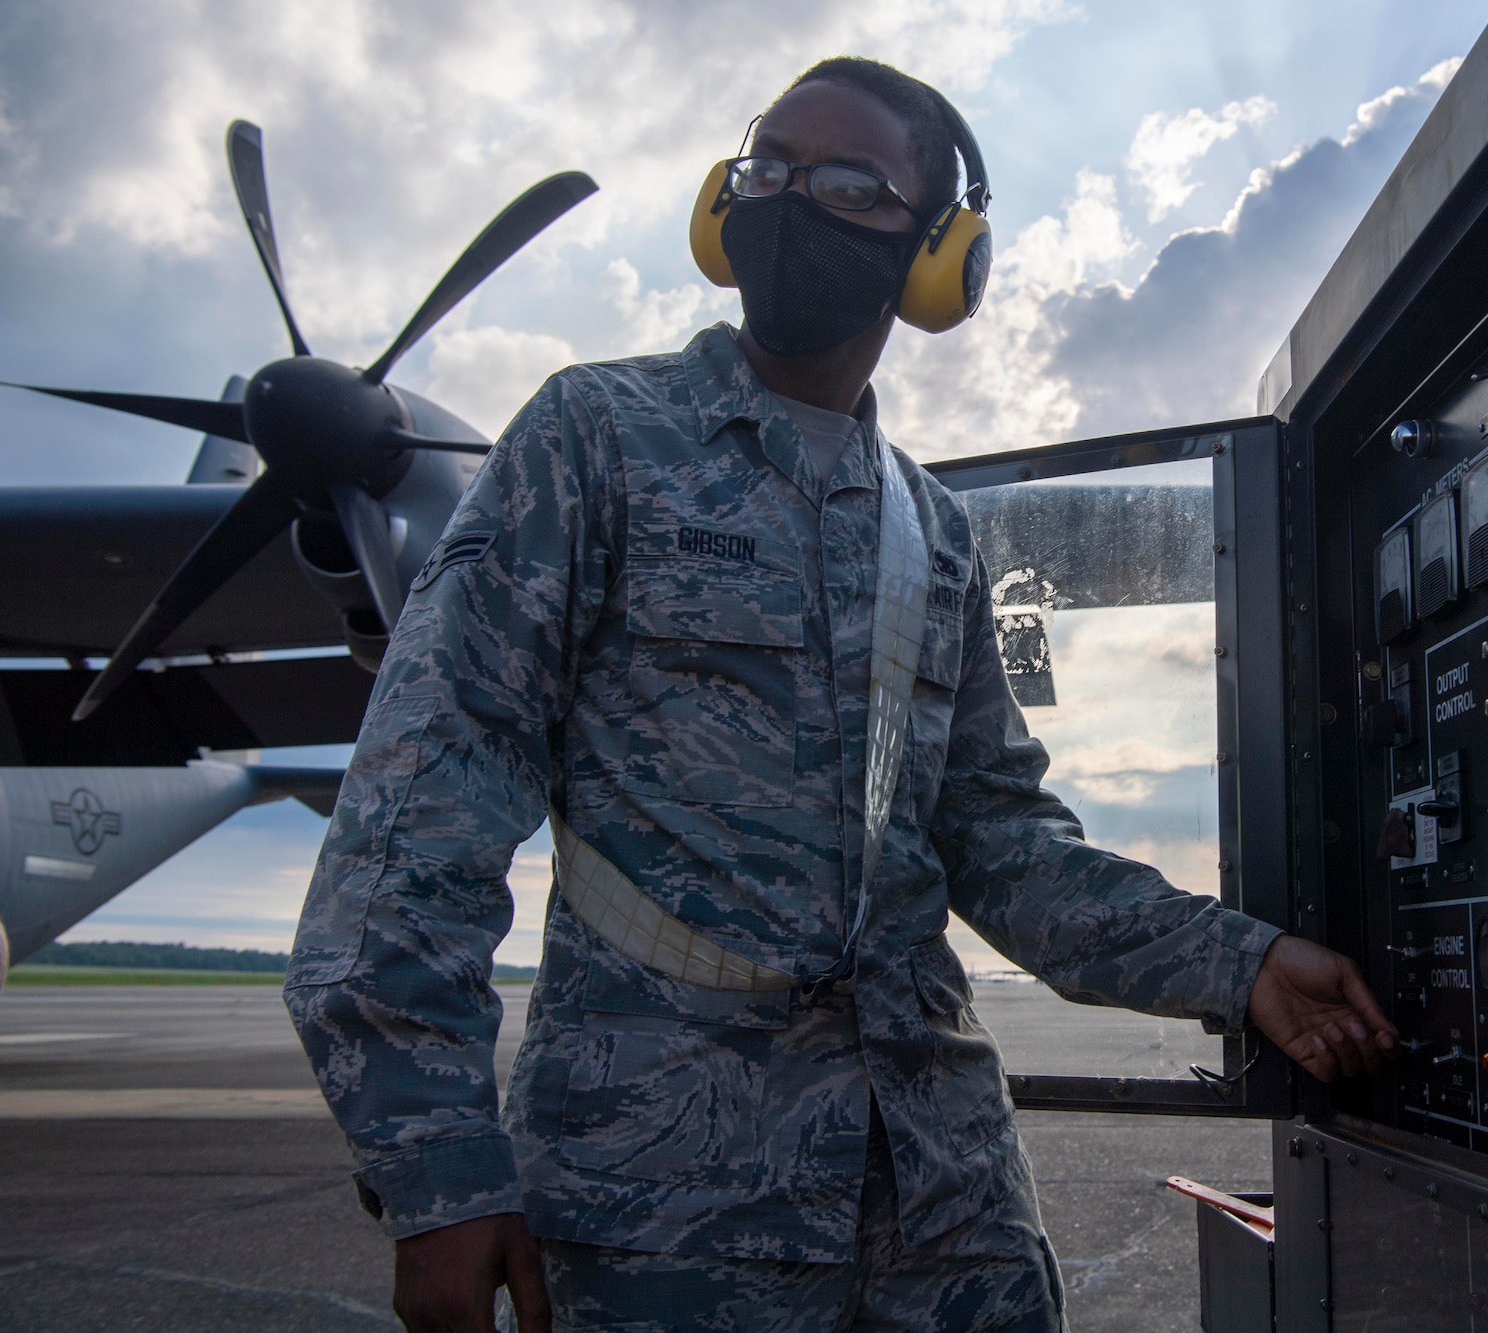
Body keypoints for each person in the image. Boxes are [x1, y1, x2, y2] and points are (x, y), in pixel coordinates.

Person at [286, 55, 1396, 1333]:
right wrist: (434, 1171)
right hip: (662, 1201)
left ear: (939, 259)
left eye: (849, 183)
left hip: (942, 1204)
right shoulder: (594, 439)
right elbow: (419, 803)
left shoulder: (930, 532)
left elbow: (1002, 842)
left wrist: (1239, 961)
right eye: (769, 167)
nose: (791, 197)